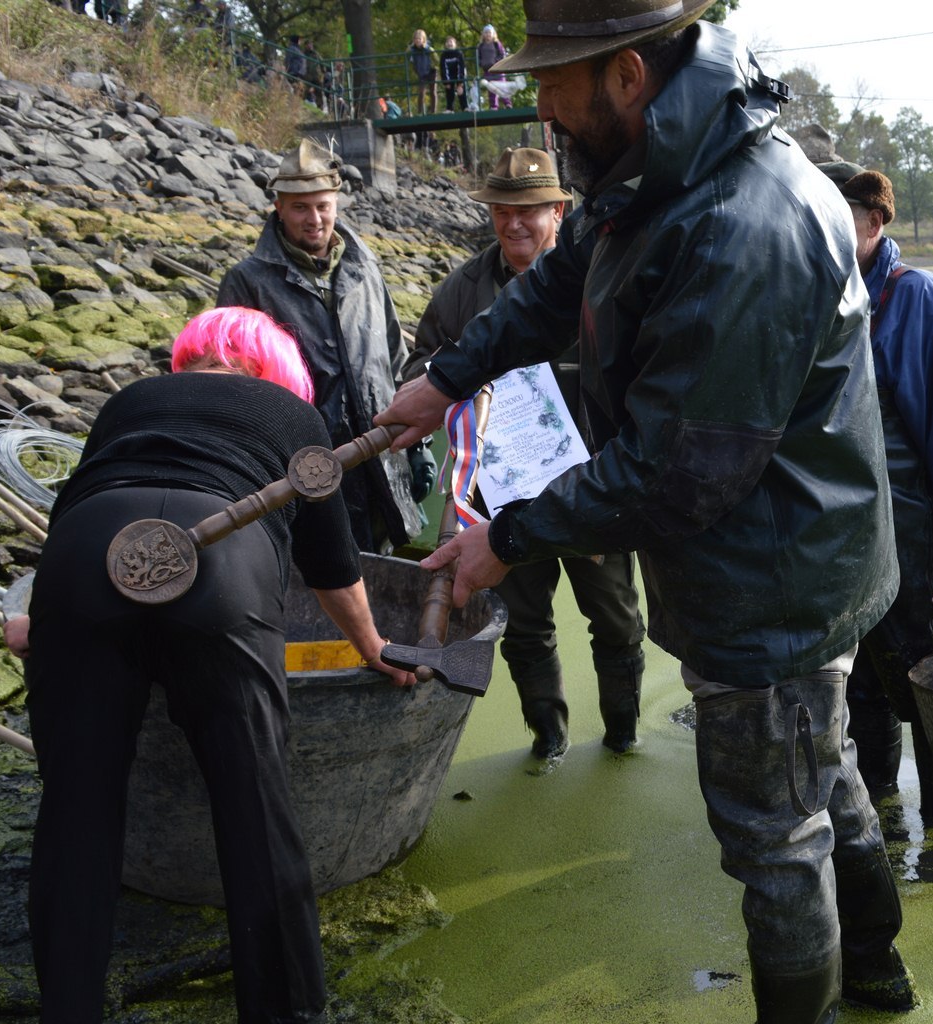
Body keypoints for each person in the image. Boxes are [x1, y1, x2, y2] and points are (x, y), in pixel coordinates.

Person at [375, 4, 911, 1024]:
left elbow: (678, 471)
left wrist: (507, 540)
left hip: (774, 577)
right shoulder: (650, 169)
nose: (536, 105)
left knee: (775, 833)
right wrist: (446, 377)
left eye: (552, 82)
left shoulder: (743, 221)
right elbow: (558, 284)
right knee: (827, 773)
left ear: (624, 74)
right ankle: (878, 971)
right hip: (782, 553)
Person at [16, 307, 415, 1024]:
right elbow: (332, 564)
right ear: (273, 367)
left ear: (189, 358)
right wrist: (375, 648)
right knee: (253, 797)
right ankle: (292, 1016)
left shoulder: (131, 400)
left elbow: (68, 518)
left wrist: (36, 618)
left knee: (76, 804)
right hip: (221, 562)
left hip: (90, 560)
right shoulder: (294, 412)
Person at [403, 148, 646, 759]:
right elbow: (418, 369)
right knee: (526, 627)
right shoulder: (462, 289)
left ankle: (622, 735)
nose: (514, 223)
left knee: (616, 622)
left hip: (593, 486)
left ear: (560, 212)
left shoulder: (602, 279)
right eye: (502, 211)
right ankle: (550, 740)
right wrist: (451, 381)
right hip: (501, 496)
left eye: (530, 211)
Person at [826, 164, 933, 832]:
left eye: (836, 215)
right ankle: (878, 814)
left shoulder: (919, 300)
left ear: (874, 223)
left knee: (931, 676)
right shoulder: (814, 301)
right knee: (861, 682)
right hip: (841, 545)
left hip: (913, 540)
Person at [216, 139, 423, 553]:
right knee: (321, 581)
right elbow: (232, 392)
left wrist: (417, 447)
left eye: (323, 206)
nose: (314, 219)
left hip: (381, 461)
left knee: (385, 577)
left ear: (336, 203)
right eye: (300, 208)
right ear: (279, 206)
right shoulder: (247, 282)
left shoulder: (364, 268)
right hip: (302, 469)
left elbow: (398, 362)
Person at [476, 25, 508, 108]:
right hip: (488, 70)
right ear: (483, 34)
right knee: (491, 89)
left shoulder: (496, 44)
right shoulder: (481, 46)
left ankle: (507, 103)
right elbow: (478, 57)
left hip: (498, 70)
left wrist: (496, 61)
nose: (488, 34)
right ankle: (494, 106)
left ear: (493, 34)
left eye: (489, 32)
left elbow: (502, 54)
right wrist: (481, 63)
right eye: (486, 32)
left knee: (502, 87)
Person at [408, 29, 437, 114]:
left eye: (419, 39)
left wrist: (435, 67)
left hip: (431, 71)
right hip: (421, 73)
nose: (417, 41)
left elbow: (436, 59)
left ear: (423, 39)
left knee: (433, 92)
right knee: (421, 92)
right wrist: (410, 47)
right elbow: (408, 58)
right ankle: (420, 112)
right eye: (416, 39)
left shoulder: (429, 49)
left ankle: (433, 111)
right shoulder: (413, 50)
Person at [438, 37, 467, 111]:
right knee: (449, 91)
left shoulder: (459, 53)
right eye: (447, 42)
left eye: (451, 42)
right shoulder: (443, 55)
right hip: (449, 75)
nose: (449, 43)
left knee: (461, 91)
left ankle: (465, 107)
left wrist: (460, 82)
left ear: (455, 44)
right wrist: (446, 82)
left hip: (458, 74)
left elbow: (461, 66)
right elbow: (443, 68)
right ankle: (449, 108)